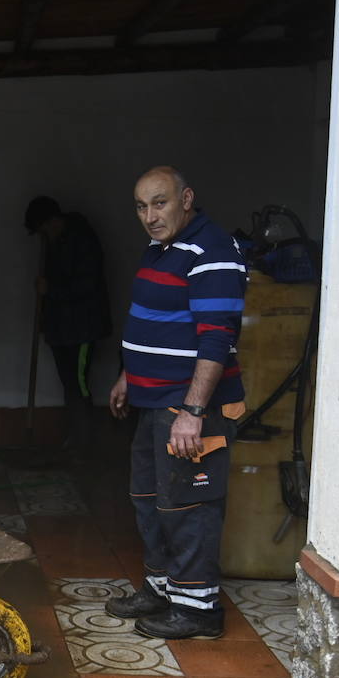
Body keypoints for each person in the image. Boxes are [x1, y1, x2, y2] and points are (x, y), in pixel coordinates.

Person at [105, 166, 247, 640]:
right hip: (153, 400)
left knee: (190, 504)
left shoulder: (214, 252)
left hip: (187, 407)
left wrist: (192, 412)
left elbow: (216, 341)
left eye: (160, 203)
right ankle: (163, 588)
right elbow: (150, 320)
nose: (149, 215)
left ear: (187, 198)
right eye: (142, 206)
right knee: (150, 498)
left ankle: (197, 607)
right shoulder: (162, 249)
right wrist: (129, 374)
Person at [24, 195, 112, 452]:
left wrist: (50, 289)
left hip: (82, 327)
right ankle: (75, 438)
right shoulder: (54, 242)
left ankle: (85, 441)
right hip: (61, 328)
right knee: (69, 382)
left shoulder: (82, 241)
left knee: (78, 383)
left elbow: (86, 286)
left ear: (53, 221)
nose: (43, 235)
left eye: (43, 229)